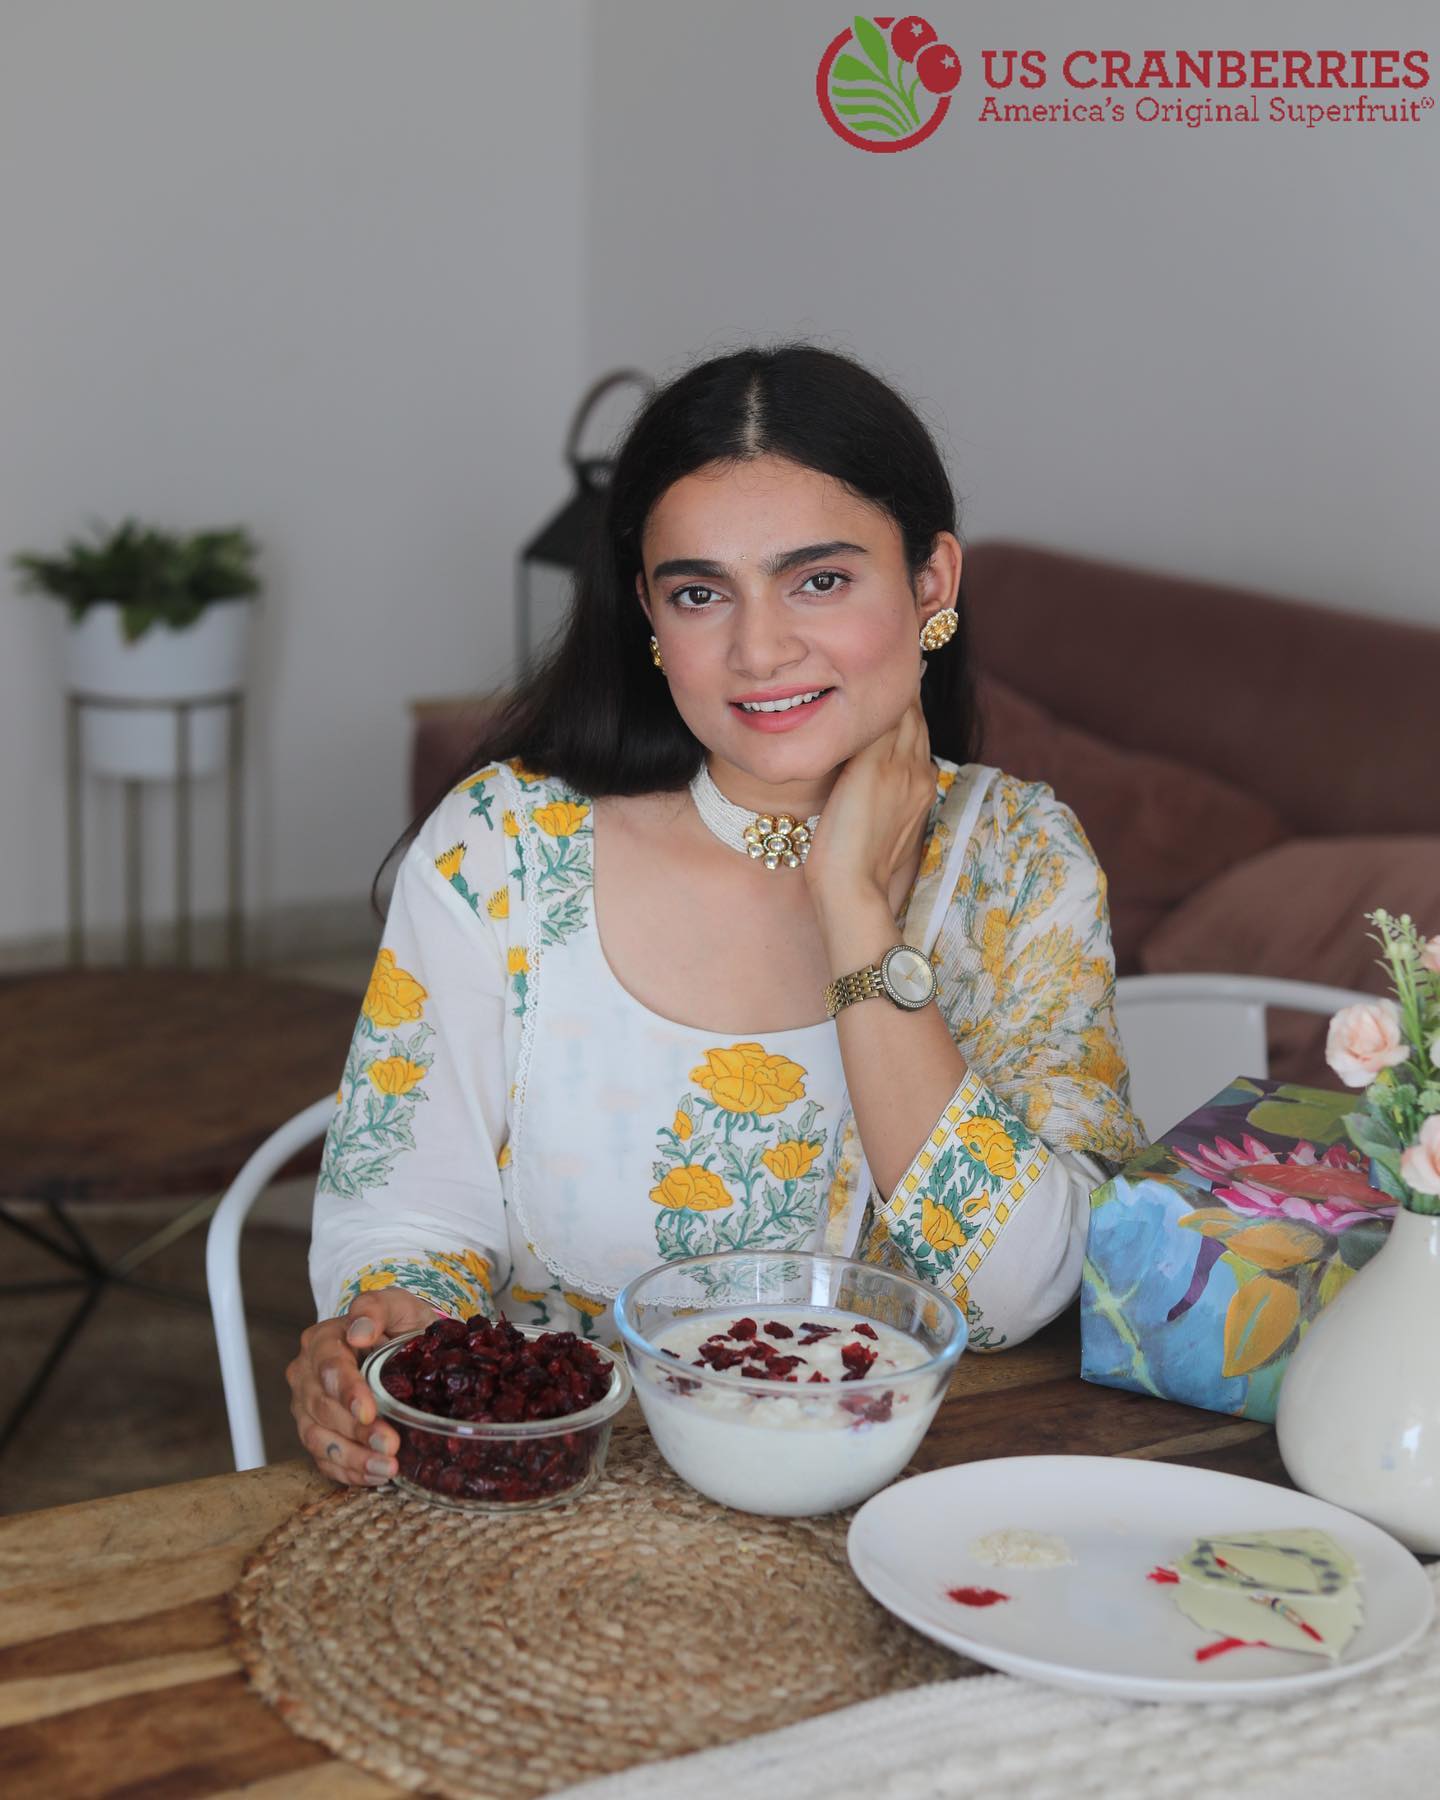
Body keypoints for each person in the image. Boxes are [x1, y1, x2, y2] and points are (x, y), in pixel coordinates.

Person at [287, 343, 1148, 1486]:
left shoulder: (1023, 861)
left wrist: (853, 914)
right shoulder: (504, 848)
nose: (759, 649)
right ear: (649, 611)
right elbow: (408, 1222)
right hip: (568, 1507)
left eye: (819, 580)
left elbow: (1020, 1295)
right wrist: (393, 1332)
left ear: (932, 582)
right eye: (701, 593)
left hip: (933, 1501)